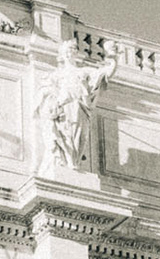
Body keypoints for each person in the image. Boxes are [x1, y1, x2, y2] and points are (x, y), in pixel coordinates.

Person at [37, 40, 117, 172]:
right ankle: (67, 161)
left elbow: (106, 73)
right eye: (69, 49)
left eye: (74, 49)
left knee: (79, 136)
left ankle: (74, 161)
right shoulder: (56, 74)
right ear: (63, 54)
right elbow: (45, 93)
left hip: (79, 107)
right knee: (64, 135)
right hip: (63, 108)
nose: (71, 52)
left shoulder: (84, 71)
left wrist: (113, 58)